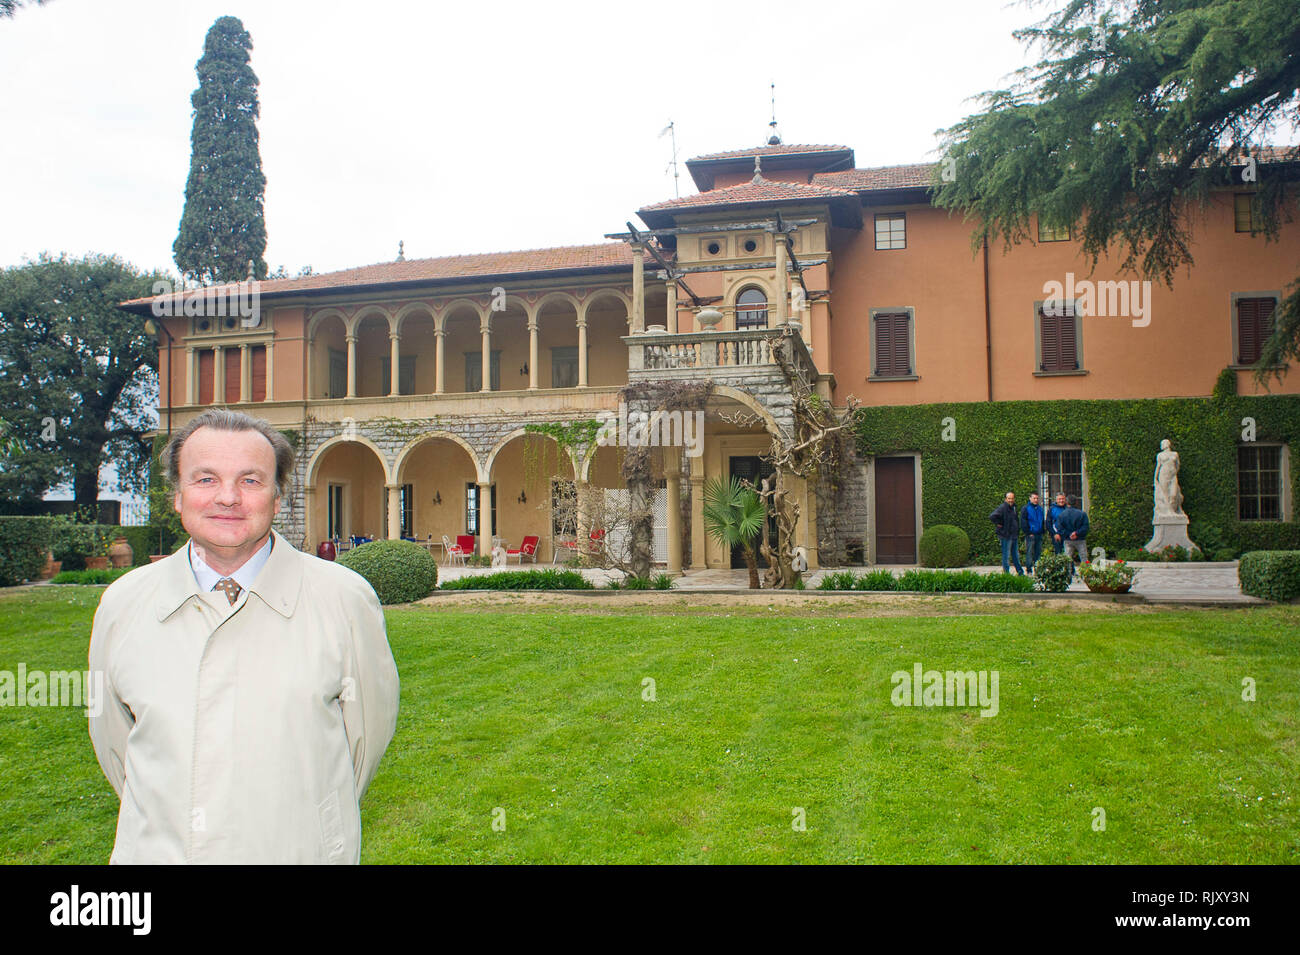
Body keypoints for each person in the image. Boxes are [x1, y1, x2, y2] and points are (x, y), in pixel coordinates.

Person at [88, 409, 400, 864]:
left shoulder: (345, 600)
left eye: (251, 481)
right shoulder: (123, 605)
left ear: (277, 499)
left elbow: (364, 742)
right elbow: (116, 746)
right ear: (177, 496)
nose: (228, 497)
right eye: (205, 479)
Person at [1054, 494, 1091, 580]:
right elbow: (1085, 527)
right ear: (1076, 502)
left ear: (1067, 502)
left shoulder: (1062, 515)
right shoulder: (1082, 514)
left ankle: (1068, 575)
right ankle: (1086, 575)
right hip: (1080, 539)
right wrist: (1076, 533)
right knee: (1084, 557)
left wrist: (1068, 534)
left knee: (1067, 558)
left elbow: (1059, 527)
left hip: (1068, 539)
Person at [989, 491, 1025, 575]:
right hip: (1006, 535)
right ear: (1006, 499)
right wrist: (1000, 523)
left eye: (1012, 498)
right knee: (1006, 556)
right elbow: (992, 516)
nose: (1011, 500)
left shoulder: (1014, 508)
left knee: (1015, 555)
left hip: (1014, 535)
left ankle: (1020, 572)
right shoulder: (1002, 508)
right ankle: (1006, 573)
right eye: (1009, 498)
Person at [1020, 492, 1046, 572]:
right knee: (1029, 552)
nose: (1035, 500)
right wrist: (1028, 532)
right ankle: (1029, 568)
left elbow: (1042, 521)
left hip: (1039, 533)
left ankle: (1037, 568)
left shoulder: (1040, 509)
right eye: (1034, 498)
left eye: (1037, 498)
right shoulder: (1026, 508)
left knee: (1038, 552)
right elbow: (1023, 521)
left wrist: (1042, 530)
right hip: (1031, 534)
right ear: (1030, 498)